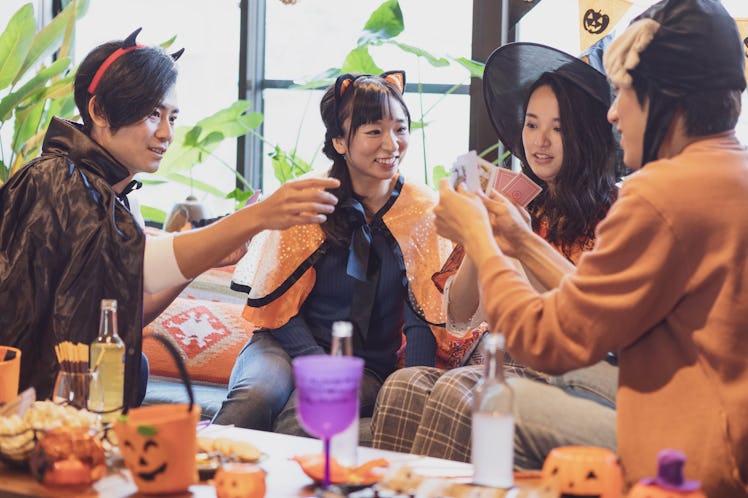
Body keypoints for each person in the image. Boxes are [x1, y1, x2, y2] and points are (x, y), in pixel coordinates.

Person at [433, 1, 747, 496]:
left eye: (624, 92)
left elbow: (547, 341)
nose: (613, 113)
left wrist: (478, 236)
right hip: (723, 429)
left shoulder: (657, 195)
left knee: (486, 401)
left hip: (692, 454)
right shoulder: (732, 174)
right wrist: (518, 239)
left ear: (670, 102)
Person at [0, 28, 339, 407]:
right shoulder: (56, 180)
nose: (166, 133)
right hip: (24, 399)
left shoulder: (117, 196)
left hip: (75, 399)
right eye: (151, 114)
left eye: (172, 117)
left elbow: (128, 307)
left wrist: (205, 258)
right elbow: (143, 265)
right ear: (98, 110)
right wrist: (258, 217)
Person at [371, 42, 620, 465]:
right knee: (403, 384)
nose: (540, 141)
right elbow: (461, 313)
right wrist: (478, 236)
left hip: (570, 371)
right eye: (532, 124)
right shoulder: (515, 200)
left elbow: (582, 317)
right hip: (499, 360)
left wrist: (519, 242)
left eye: (558, 128)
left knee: (457, 390)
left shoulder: (614, 215)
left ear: (588, 134)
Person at [212, 71, 476, 434]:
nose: (392, 144)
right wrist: (318, 364)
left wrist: (416, 392)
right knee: (253, 399)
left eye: (400, 129)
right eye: (374, 131)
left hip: (363, 365)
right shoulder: (308, 199)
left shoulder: (422, 210)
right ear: (339, 141)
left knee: (301, 420)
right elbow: (278, 305)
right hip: (282, 346)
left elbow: (423, 316)